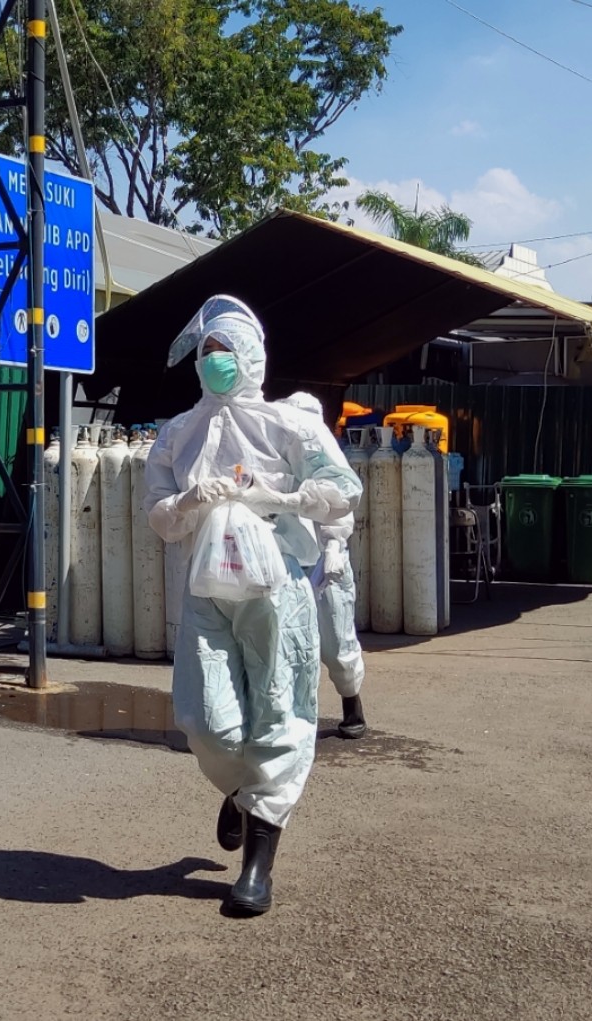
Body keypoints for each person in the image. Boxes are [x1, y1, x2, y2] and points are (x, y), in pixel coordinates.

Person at [144, 296, 362, 917]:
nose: (215, 362)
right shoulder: (179, 432)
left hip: (277, 589)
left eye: (225, 351)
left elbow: (346, 489)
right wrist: (187, 502)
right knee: (207, 717)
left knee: (279, 707)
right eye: (207, 352)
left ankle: (258, 863)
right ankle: (242, 787)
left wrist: (281, 495)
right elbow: (158, 515)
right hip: (207, 588)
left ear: (251, 357)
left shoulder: (288, 425)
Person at [275, 391, 367, 740]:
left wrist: (333, 546)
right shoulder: (277, 461)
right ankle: (291, 718)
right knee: (287, 645)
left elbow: (339, 507)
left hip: (328, 564)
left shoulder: (327, 461)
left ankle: (351, 702)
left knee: (336, 639)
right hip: (288, 563)